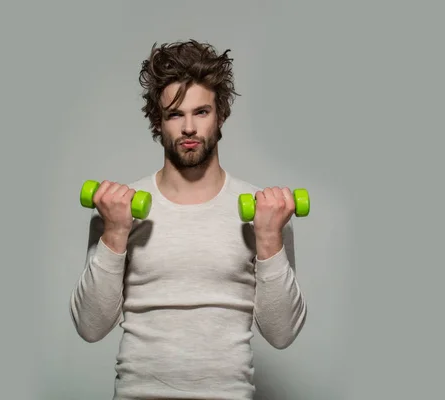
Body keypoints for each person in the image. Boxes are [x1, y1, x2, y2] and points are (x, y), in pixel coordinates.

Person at [70, 39, 307, 400]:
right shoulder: (118, 208)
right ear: (158, 122)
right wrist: (116, 231)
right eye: (175, 114)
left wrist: (269, 239)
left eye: (201, 112)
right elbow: (90, 327)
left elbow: (282, 334)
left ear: (221, 115)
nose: (189, 128)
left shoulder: (266, 212)